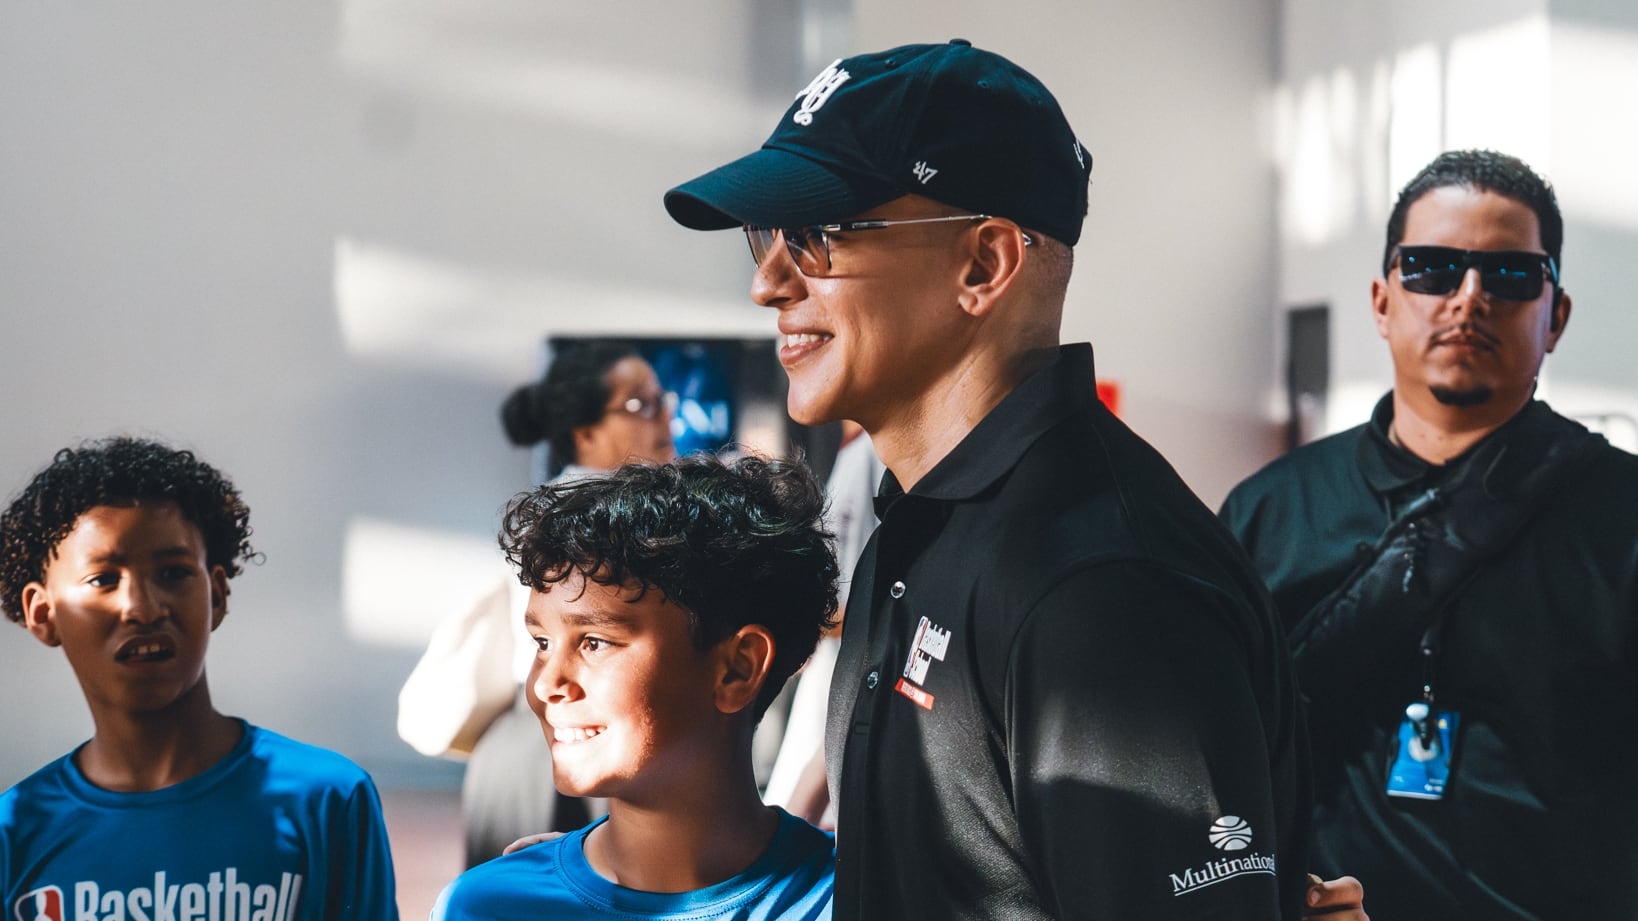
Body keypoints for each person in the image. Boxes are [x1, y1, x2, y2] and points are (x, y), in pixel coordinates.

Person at [663, 39, 1360, 920]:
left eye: (815, 236)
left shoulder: (1103, 590)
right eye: (768, 237)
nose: (768, 282)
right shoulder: (918, 529)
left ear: (984, 265)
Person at [1220, 149, 1638, 919]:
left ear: (1558, 316)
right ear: (1382, 301)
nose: (1468, 297)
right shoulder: (1270, 512)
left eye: (1511, 275)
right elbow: (1213, 760)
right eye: (1432, 268)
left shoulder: (1622, 514)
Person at [0, 436, 398, 919]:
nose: (142, 608)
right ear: (43, 614)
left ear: (217, 595)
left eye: (172, 572)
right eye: (103, 579)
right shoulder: (15, 832)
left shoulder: (326, 799)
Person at [430, 454, 839, 920]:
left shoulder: (861, 899)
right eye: (541, 642)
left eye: (594, 642)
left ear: (736, 670)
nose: (546, 683)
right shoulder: (488, 906)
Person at [398, 341, 677, 866]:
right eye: (641, 405)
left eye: (664, 401)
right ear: (586, 431)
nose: (665, 418)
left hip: (520, 750)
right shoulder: (612, 523)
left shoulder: (547, 507)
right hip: (568, 742)